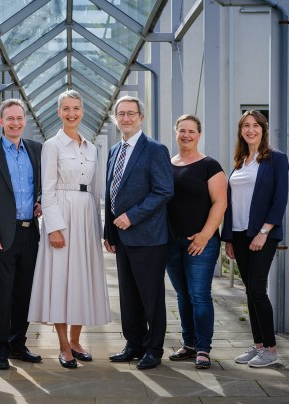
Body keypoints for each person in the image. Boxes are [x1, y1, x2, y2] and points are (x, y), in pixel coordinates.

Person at [28, 90, 111, 369]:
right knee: (61, 279)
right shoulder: (52, 146)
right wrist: (53, 227)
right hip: (62, 212)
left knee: (82, 277)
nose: (71, 113)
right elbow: (47, 188)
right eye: (66, 108)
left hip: (86, 215)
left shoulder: (91, 147)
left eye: (76, 108)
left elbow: (98, 190)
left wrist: (99, 229)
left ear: (83, 111)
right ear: (58, 112)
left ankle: (77, 341)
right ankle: (63, 346)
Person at [104, 95, 174, 370]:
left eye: (131, 114)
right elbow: (111, 193)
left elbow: (164, 190)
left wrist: (132, 217)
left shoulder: (155, 149)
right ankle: (133, 343)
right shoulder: (114, 151)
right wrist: (109, 231)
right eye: (121, 114)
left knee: (150, 295)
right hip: (121, 238)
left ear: (141, 118)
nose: (126, 118)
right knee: (128, 295)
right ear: (115, 118)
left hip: (148, 236)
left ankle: (154, 349)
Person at [0, 99, 43, 370]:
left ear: (24, 120)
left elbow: (42, 185)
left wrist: (41, 202)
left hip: (30, 233)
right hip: (2, 235)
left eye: (19, 118)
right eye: (10, 118)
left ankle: (18, 344)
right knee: (2, 294)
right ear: (1, 122)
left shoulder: (36, 150)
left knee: (25, 292)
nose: (15, 122)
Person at [222, 110, 289, 368]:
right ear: (241, 131)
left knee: (258, 289)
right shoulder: (240, 162)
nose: (251, 130)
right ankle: (258, 345)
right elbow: (231, 203)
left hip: (262, 234)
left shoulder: (276, 159)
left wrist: (264, 231)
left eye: (255, 126)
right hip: (239, 234)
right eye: (245, 126)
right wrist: (228, 238)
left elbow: (280, 198)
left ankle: (271, 350)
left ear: (263, 129)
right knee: (250, 291)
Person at [165, 114, 227, 369]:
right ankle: (189, 344)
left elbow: (220, 203)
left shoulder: (210, 166)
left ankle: (203, 348)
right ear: (176, 133)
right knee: (182, 295)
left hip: (201, 242)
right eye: (182, 130)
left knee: (199, 295)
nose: (186, 135)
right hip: (172, 242)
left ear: (199, 134)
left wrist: (205, 235)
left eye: (191, 131)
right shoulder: (168, 164)